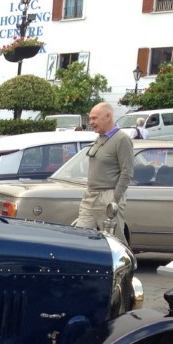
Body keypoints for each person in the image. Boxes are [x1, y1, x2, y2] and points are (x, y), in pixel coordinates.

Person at [74, 102, 133, 241]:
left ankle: (123, 262)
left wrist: (114, 199)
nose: (91, 122)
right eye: (90, 118)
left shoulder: (122, 139)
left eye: (94, 118)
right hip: (91, 195)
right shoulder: (100, 137)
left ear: (108, 116)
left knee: (114, 241)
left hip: (107, 196)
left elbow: (127, 172)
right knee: (80, 237)